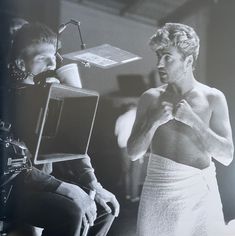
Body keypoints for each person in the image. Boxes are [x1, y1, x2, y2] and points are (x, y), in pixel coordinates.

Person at [1, 22, 119, 236]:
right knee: (71, 212)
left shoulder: (52, 94)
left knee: (105, 209)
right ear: (20, 63)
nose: (52, 64)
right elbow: (12, 165)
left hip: (43, 184)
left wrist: (94, 185)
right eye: (42, 59)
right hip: (10, 188)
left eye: (54, 56)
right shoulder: (7, 99)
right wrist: (67, 189)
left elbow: (72, 146)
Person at [127, 23, 234, 236]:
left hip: (201, 196)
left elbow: (227, 156)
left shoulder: (213, 97)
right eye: (158, 56)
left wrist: (194, 121)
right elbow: (133, 153)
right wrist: (153, 122)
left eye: (168, 57)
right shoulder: (150, 98)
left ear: (188, 61)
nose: (159, 64)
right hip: (158, 192)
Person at [114, 102, 143, 202]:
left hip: (123, 147)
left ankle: (128, 195)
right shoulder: (139, 117)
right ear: (135, 108)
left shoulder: (120, 118)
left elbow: (116, 133)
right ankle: (134, 196)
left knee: (126, 171)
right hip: (135, 146)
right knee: (135, 171)